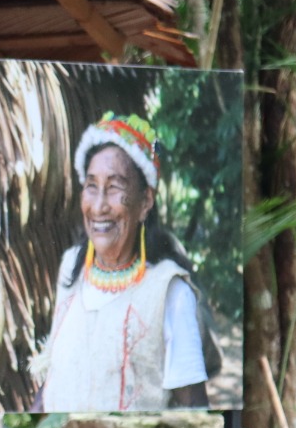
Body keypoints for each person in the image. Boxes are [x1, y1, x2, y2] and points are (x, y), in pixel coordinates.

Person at [33, 112, 214, 411]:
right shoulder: (71, 269)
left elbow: (194, 411)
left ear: (145, 202)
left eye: (114, 187)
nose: (99, 206)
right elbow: (54, 379)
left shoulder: (168, 293)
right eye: (91, 185)